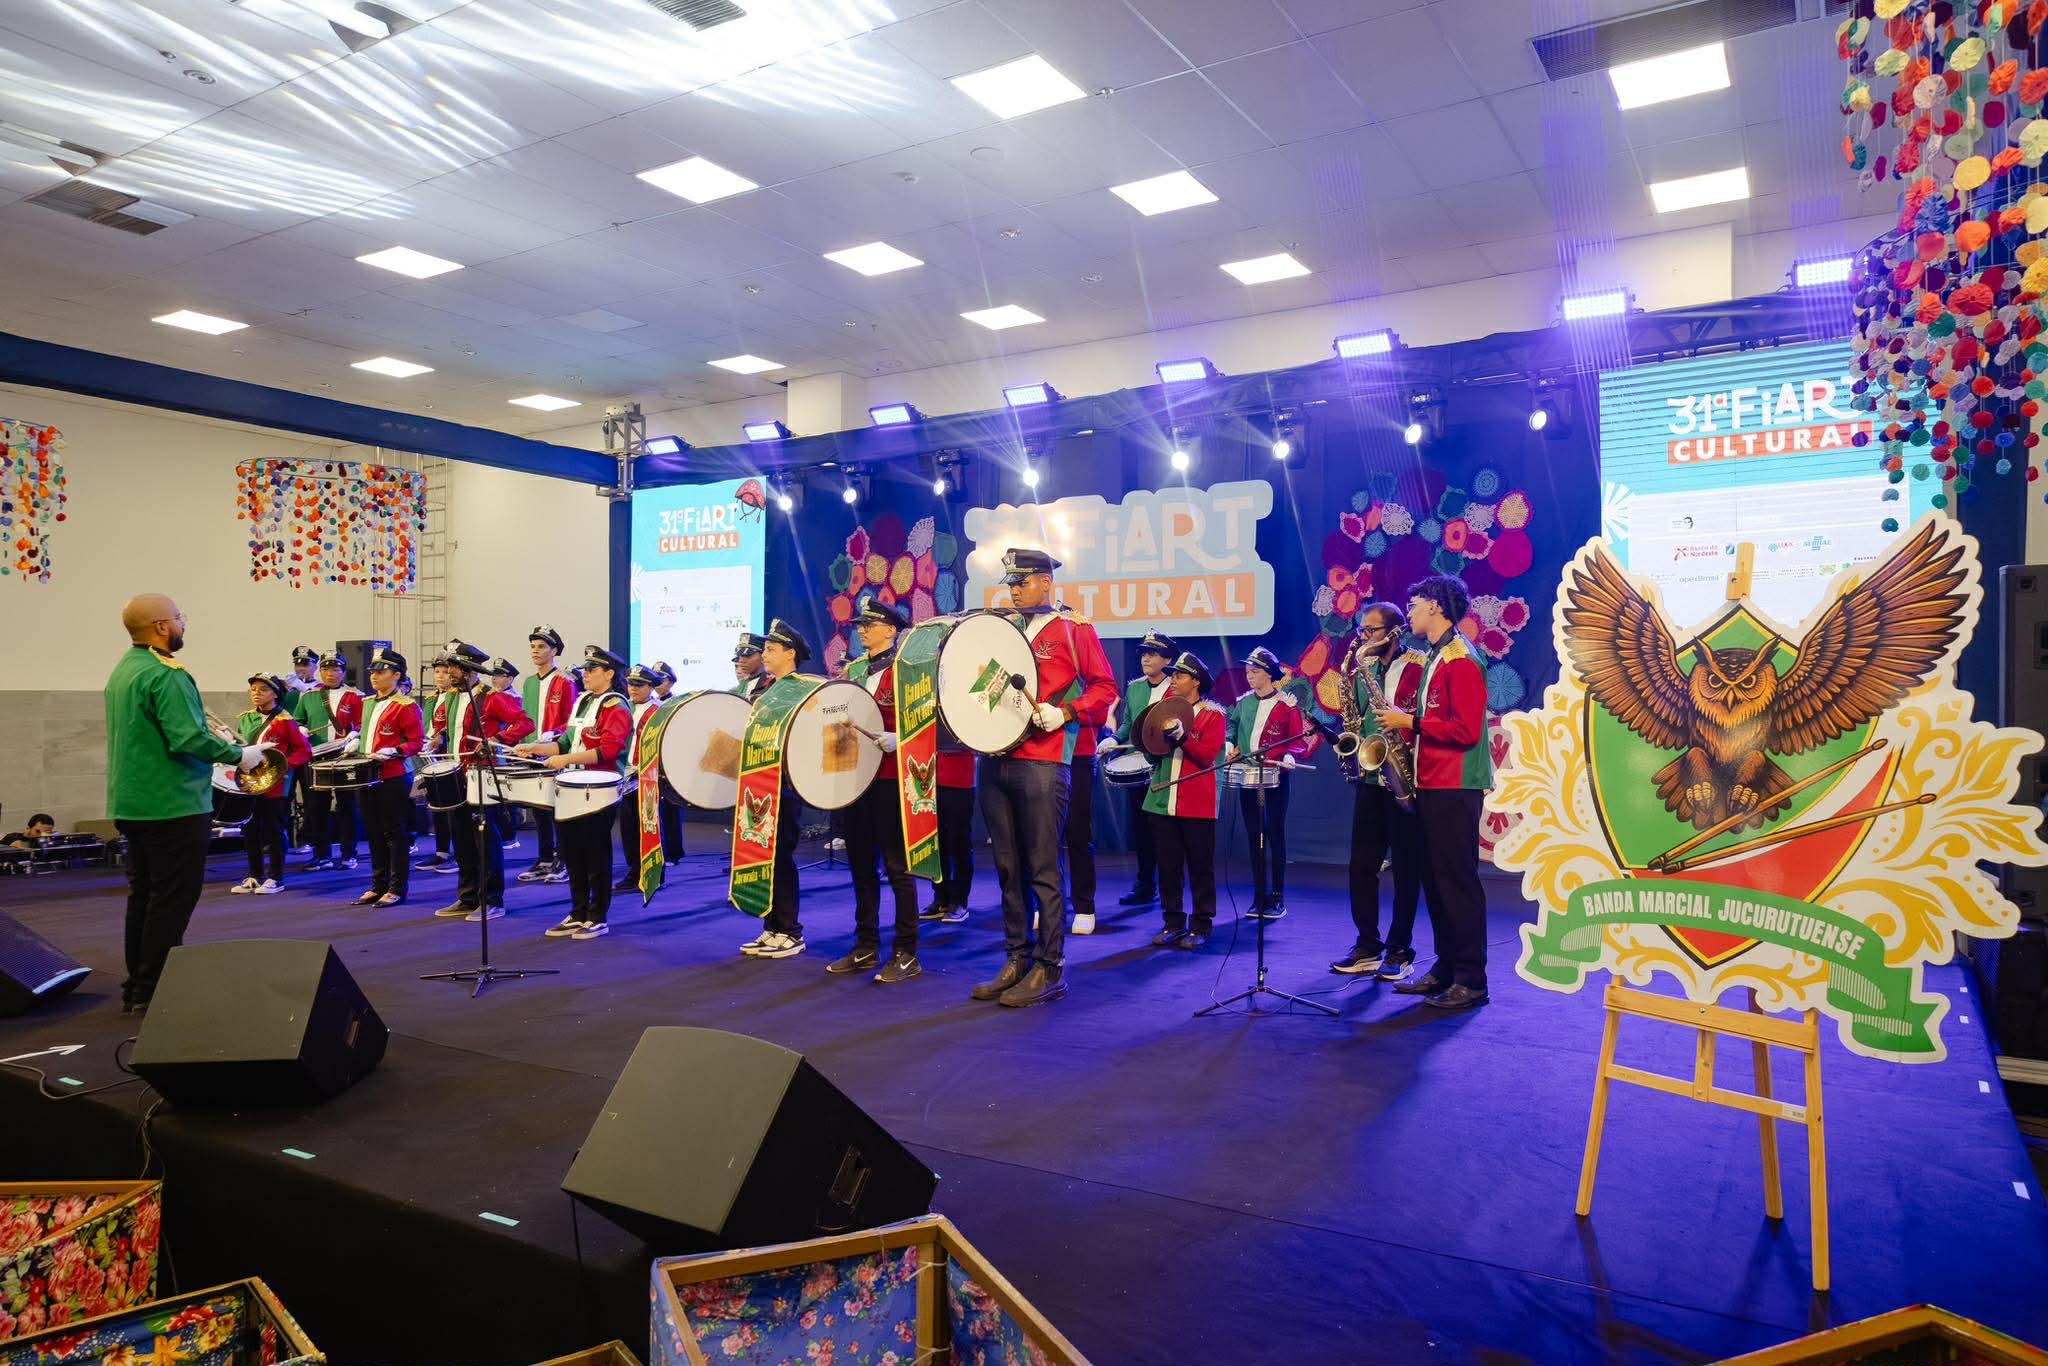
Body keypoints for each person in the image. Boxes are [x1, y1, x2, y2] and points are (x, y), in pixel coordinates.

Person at [105, 593, 268, 1012]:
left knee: (144, 896)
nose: (183, 623)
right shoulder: (167, 674)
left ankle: (139, 985)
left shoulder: (125, 670)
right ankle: (154, 988)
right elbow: (188, 738)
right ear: (162, 626)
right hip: (172, 803)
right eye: (179, 617)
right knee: (172, 899)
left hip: (133, 803)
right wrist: (239, 754)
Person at [971, 548, 1116, 1008]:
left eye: (1023, 581)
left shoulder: (1074, 629)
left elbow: (1105, 687)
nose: (1014, 590)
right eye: (1011, 583)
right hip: (994, 756)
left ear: (1047, 582)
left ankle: (1049, 966)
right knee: (1007, 866)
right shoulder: (1003, 628)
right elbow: (983, 687)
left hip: (1044, 758)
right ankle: (1017, 958)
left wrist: (1066, 711)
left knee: (1042, 868)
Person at [1375, 576, 1493, 1011]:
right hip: (1432, 782)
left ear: (1436, 607)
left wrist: (1409, 723)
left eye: (1414, 604)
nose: (1408, 612)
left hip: (1455, 785)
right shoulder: (1436, 656)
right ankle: (1446, 968)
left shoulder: (1461, 659)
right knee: (1437, 882)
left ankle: (1471, 980)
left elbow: (1465, 730)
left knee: (1457, 883)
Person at [1330, 603, 1427, 980]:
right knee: (1361, 866)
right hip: (1371, 779)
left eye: (1371, 631)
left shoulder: (1420, 666)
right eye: (1361, 631)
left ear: (1395, 631)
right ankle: (1367, 945)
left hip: (1406, 779)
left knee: (1407, 869)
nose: (1363, 638)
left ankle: (1400, 948)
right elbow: (1354, 720)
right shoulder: (1361, 670)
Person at [833, 600, 923, 983]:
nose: (861, 630)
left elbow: (928, 722)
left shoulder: (908, 669)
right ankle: (866, 945)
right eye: (860, 625)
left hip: (890, 778)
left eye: (869, 625)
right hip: (856, 778)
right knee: (861, 866)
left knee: (898, 866)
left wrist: (900, 739)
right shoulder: (853, 670)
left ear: (890, 630)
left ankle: (906, 952)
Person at [521, 646, 632, 940]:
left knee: (595, 855)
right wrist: (534, 748)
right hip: (571, 787)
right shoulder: (583, 701)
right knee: (572, 854)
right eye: (585, 670)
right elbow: (565, 742)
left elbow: (608, 751)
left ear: (609, 674)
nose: (585, 674)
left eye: (592, 670)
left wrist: (565, 759)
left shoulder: (617, 706)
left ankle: (598, 916)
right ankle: (578, 911)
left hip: (598, 790)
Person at [738, 619, 812, 959]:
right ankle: (771, 927)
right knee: (764, 857)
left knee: (781, 857)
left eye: (770, 649)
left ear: (790, 653)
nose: (764, 655)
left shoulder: (802, 690)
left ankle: (790, 931)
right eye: (764, 649)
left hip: (785, 785)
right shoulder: (765, 688)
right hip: (758, 784)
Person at [1144, 652, 1226, 949]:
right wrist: (1149, 745)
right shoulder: (1163, 711)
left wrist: (1182, 737)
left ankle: (1201, 924)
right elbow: (1152, 755)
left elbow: (1206, 756)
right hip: (1161, 801)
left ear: (1196, 681)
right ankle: (1173, 923)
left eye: (1179, 675)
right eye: (1173, 675)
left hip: (1197, 805)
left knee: (1200, 867)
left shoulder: (1213, 715)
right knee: (1168, 867)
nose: (1173, 680)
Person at [1223, 645, 1310, 921]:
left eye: (1255, 671)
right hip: (1248, 776)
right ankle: (1258, 896)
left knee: (1274, 833)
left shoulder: (1286, 705)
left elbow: (1297, 741)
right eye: (1248, 671)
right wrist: (1229, 744)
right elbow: (1232, 728)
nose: (1249, 676)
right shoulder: (1243, 703)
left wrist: (1289, 755)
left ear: (1269, 674)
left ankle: (1278, 895)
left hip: (1275, 778)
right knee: (1254, 835)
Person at [427, 643, 503, 921]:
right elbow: (451, 728)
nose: (449, 672)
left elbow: (523, 723)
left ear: (469, 669)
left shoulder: (490, 697)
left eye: (455, 667)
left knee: (485, 840)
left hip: (481, 775)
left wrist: (497, 740)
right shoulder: (450, 697)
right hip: (456, 774)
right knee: (461, 839)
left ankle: (492, 900)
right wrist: (440, 737)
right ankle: (468, 896)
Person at [1107, 629, 1177, 912]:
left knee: (1166, 832)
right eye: (1144, 654)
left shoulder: (1178, 688)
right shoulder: (1135, 688)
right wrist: (1114, 739)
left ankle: (1170, 887)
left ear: (1167, 659)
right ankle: (1145, 884)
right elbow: (1127, 724)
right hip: (1138, 769)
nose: (1145, 659)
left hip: (1167, 769)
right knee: (1141, 829)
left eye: (1153, 654)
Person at [350, 647, 426, 909]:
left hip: (393, 774)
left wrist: (395, 750)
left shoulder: (406, 705)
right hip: (367, 773)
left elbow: (416, 742)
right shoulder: (367, 703)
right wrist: (356, 741)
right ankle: (378, 884)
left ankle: (397, 887)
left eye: (381, 672)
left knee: (394, 832)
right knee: (372, 831)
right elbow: (367, 733)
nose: (374, 676)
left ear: (396, 675)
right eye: (373, 671)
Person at [229, 673, 311, 895]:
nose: (256, 693)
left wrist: (283, 767)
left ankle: (276, 878)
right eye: (253, 689)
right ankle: (255, 875)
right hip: (250, 781)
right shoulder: (246, 718)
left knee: (274, 830)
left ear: (275, 694)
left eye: (263, 690)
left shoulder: (285, 720)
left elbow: (304, 750)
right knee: (251, 829)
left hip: (275, 784)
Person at [517, 626, 577, 885]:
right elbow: (526, 720)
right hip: (532, 755)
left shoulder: (565, 681)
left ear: (554, 651)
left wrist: (555, 734)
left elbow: (571, 720)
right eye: (533, 646)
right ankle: (543, 858)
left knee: (557, 809)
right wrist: (522, 743)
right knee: (539, 809)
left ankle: (563, 859)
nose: (535, 651)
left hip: (555, 753)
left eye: (541, 647)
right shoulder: (529, 682)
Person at [295, 652, 361, 871]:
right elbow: (298, 720)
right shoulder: (308, 696)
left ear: (343, 672)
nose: (330, 674)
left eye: (335, 669)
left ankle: (349, 853)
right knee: (316, 806)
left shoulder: (355, 696)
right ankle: (322, 855)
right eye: (325, 669)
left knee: (347, 805)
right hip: (315, 756)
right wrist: (301, 728)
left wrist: (355, 735)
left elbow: (362, 723)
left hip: (343, 755)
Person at [614, 665, 663, 892]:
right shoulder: (624, 706)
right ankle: (634, 871)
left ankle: (654, 874)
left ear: (651, 687)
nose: (632, 688)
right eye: (630, 683)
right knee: (628, 827)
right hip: (625, 775)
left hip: (646, 776)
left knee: (648, 827)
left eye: (639, 685)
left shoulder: (658, 711)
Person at [478, 655, 532, 849]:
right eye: (493, 675)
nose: (494, 678)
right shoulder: (498, 695)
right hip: (501, 750)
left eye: (500, 675)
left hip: (500, 753)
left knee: (501, 796)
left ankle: (508, 836)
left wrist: (499, 739)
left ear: (510, 679)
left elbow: (522, 724)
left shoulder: (502, 698)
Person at [416, 652, 460, 875]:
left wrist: (441, 736)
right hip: (432, 758)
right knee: (437, 806)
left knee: (454, 809)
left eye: (445, 672)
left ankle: (459, 854)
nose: (441, 676)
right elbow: (426, 727)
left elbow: (454, 726)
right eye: (437, 672)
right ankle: (441, 851)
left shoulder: (457, 697)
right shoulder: (432, 698)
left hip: (450, 758)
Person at [923, 748, 974, 923]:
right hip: (929, 777)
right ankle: (941, 898)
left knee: (959, 843)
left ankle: (960, 901)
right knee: (936, 843)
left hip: (959, 777)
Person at [650, 660, 686, 864]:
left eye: (661, 679)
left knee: (671, 809)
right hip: (654, 761)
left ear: (671, 682)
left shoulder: (677, 704)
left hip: (671, 761)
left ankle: (674, 852)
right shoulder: (650, 702)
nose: (657, 683)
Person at [731, 632, 769, 699]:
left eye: (747, 655)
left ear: (763, 656)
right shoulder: (740, 685)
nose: (741, 660)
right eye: (740, 655)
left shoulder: (771, 684)